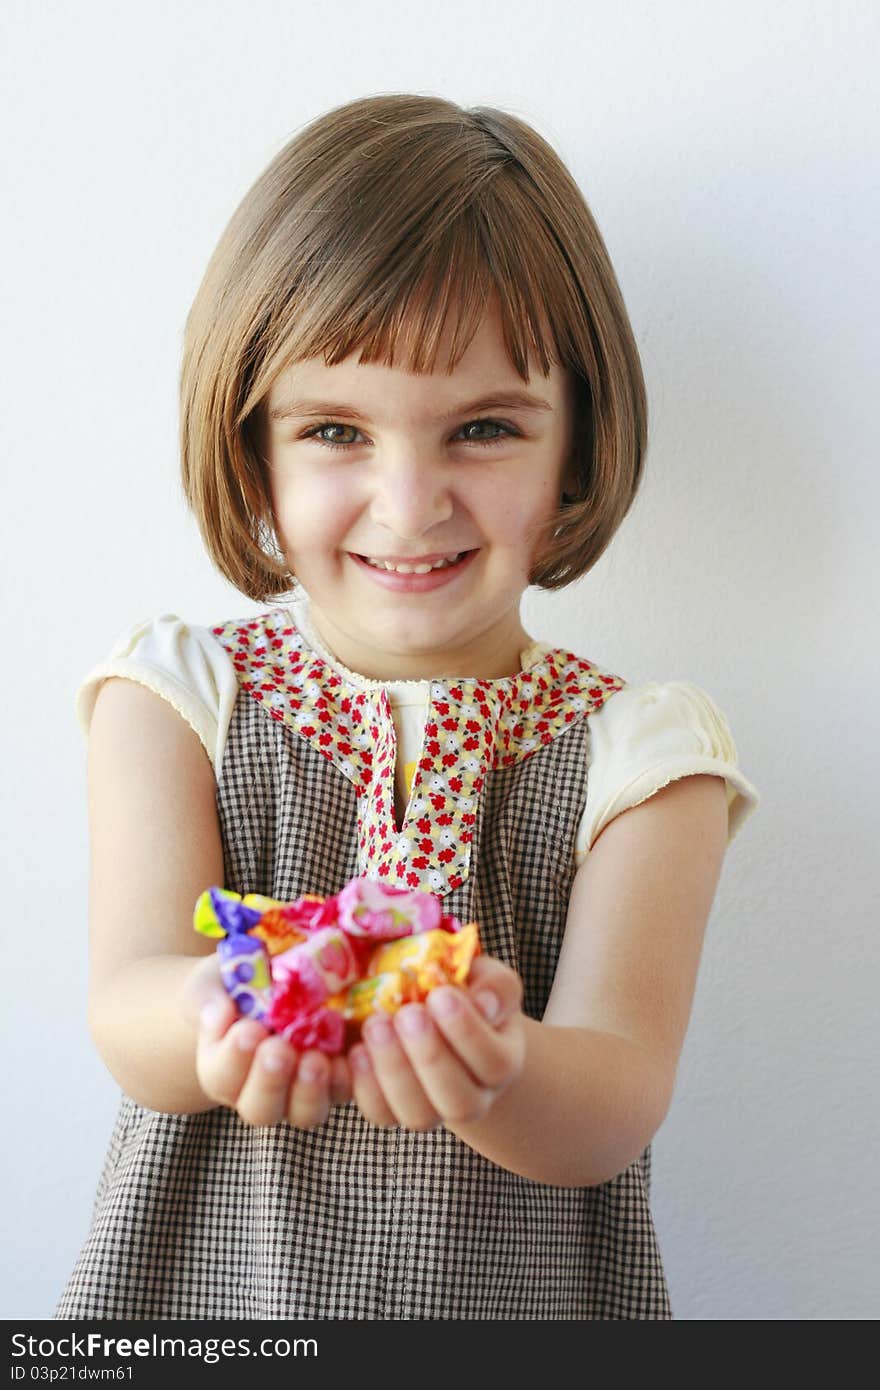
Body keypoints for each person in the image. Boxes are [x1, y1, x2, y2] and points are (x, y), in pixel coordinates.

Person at [57, 92, 760, 1321]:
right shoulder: (176, 697)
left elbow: (614, 1094)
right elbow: (128, 1005)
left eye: (483, 428)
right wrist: (226, 1008)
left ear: (577, 451)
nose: (409, 501)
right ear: (251, 454)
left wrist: (492, 1062)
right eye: (336, 429)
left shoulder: (647, 760)